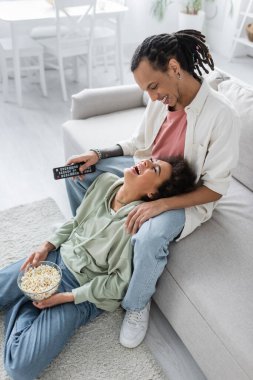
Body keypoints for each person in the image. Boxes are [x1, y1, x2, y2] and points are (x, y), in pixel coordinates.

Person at [65, 30, 240, 349]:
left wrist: (160, 206)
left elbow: (214, 189)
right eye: (146, 90)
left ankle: (136, 304)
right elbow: (140, 144)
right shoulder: (161, 100)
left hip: (183, 197)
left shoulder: (222, 115)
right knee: (80, 170)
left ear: (175, 68)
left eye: (153, 86)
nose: (152, 97)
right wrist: (99, 154)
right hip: (147, 173)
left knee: (148, 237)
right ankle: (89, 234)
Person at [1, 157, 196, 380]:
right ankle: (28, 297)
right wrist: (46, 246)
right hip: (56, 259)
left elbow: (116, 284)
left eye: (154, 169)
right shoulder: (104, 182)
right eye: (150, 160)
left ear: (152, 194)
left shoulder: (138, 225)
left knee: (21, 368)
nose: (145, 164)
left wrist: (65, 297)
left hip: (81, 292)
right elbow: (76, 221)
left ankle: (24, 306)